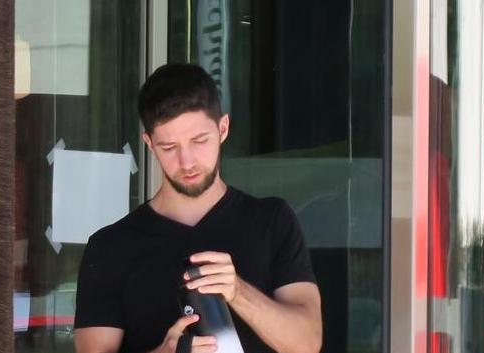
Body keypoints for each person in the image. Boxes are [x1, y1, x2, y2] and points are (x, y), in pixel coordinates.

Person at [74, 63, 322, 353]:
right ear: (150, 144)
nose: (187, 161)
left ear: (223, 128)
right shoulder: (111, 248)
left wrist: (237, 291)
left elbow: (307, 343)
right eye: (169, 147)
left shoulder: (271, 221)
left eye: (199, 140)